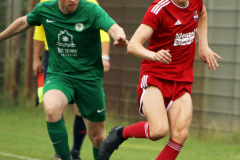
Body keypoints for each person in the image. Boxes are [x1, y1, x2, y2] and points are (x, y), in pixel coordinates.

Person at [0, 0, 128, 160]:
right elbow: (23, 22)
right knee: (51, 110)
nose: (73, 0)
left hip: (89, 79)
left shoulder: (92, 10)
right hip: (60, 75)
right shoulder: (45, 9)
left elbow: (114, 28)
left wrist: (120, 36)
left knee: (98, 138)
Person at [99, 0, 222, 160]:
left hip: (182, 79)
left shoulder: (195, 2)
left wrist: (203, 45)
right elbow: (133, 45)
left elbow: (202, 13)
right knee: (158, 131)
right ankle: (120, 133)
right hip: (155, 77)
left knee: (181, 134)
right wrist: (154, 55)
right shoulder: (159, 9)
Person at [32, 0, 111, 159]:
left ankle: (75, 151)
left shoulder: (89, 4)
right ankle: (61, 153)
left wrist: (104, 56)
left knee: (81, 112)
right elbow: (38, 30)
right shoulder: (45, 4)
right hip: (54, 58)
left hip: (82, 60)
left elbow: (104, 30)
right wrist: (36, 58)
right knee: (53, 107)